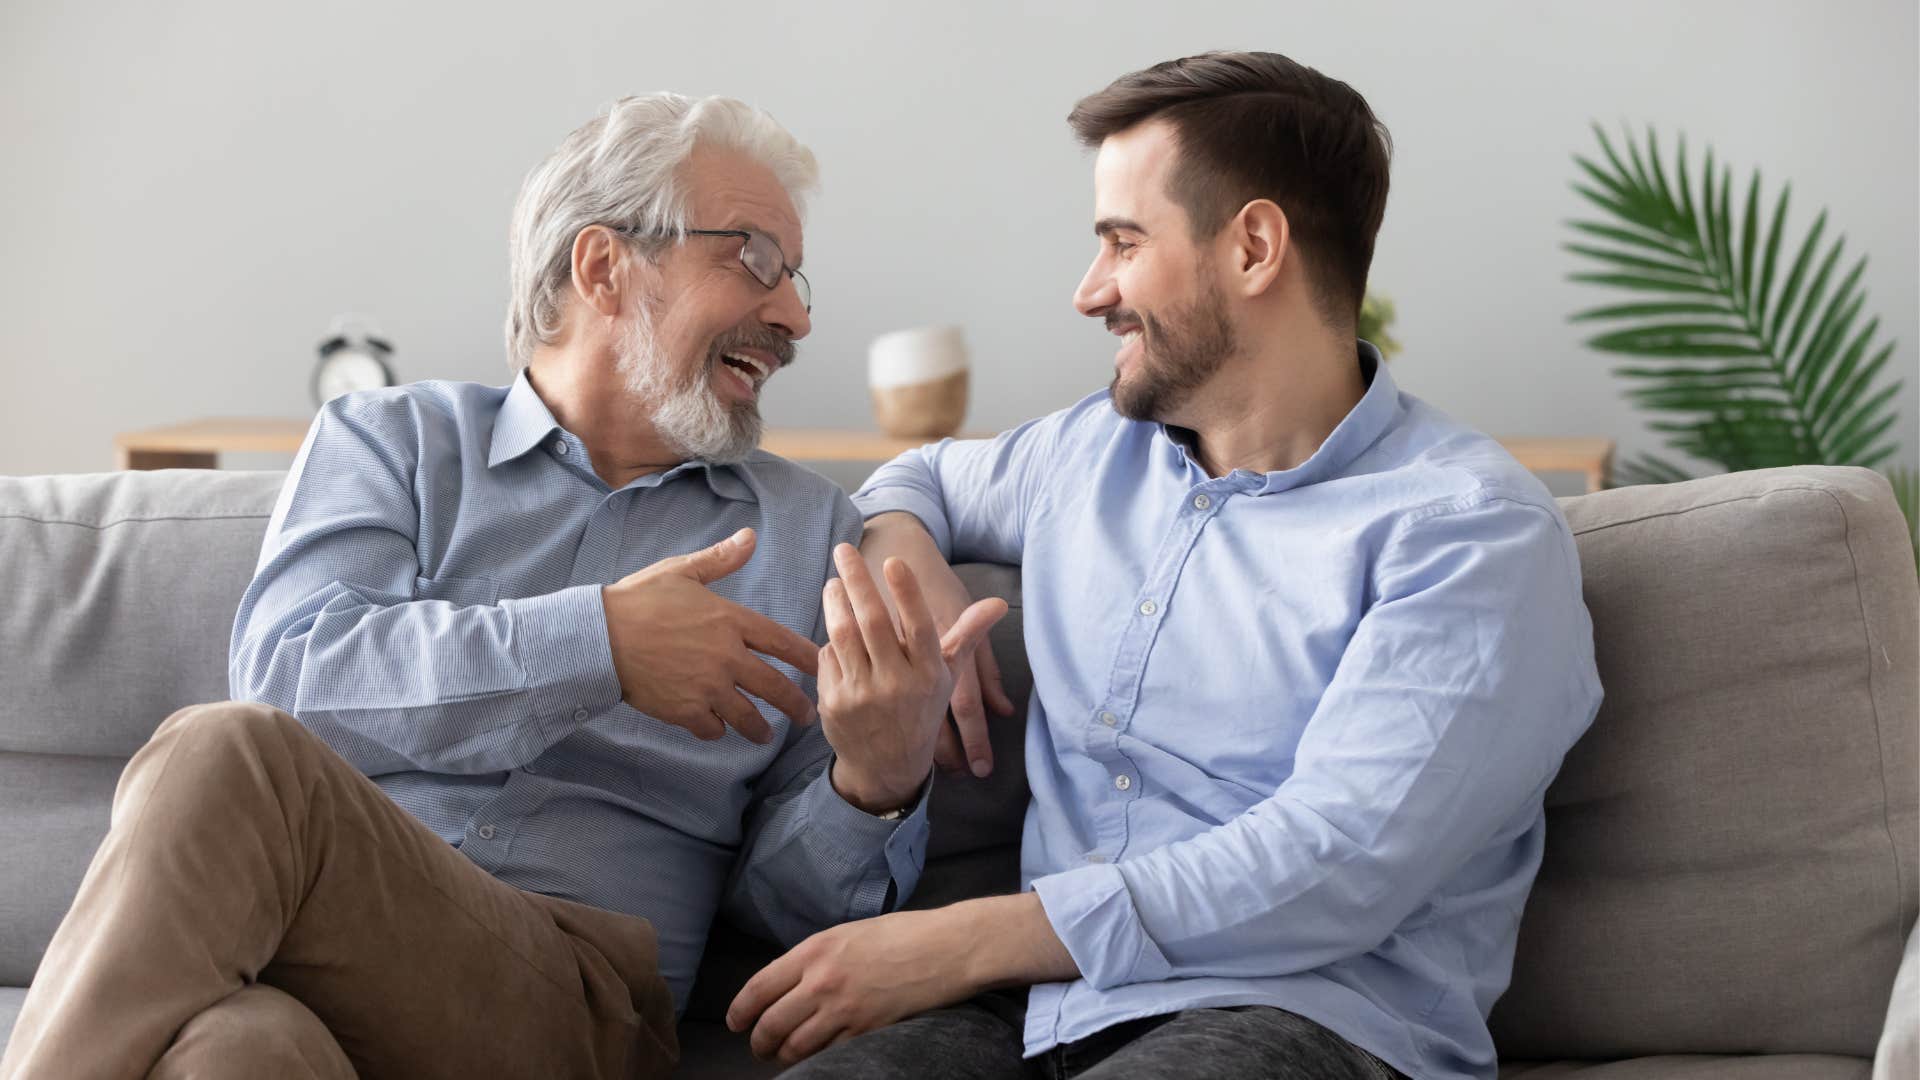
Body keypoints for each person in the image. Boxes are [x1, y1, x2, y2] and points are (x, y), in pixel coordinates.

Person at [0, 92, 1001, 1080]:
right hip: (312, 956)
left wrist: (872, 784)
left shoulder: (804, 531)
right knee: (237, 1050)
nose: (792, 315)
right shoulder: (393, 443)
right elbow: (289, 677)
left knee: (228, 755)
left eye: (797, 281)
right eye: (755, 261)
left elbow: (793, 928)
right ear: (604, 267)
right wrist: (598, 645)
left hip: (575, 1004)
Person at [726, 51, 1603, 1080]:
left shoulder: (1468, 532)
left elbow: (1337, 865)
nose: (1088, 290)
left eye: (1122, 243)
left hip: (1305, 1019)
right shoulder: (1086, 455)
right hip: (1038, 1016)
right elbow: (913, 478)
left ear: (1255, 248)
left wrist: (958, 940)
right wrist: (908, 557)